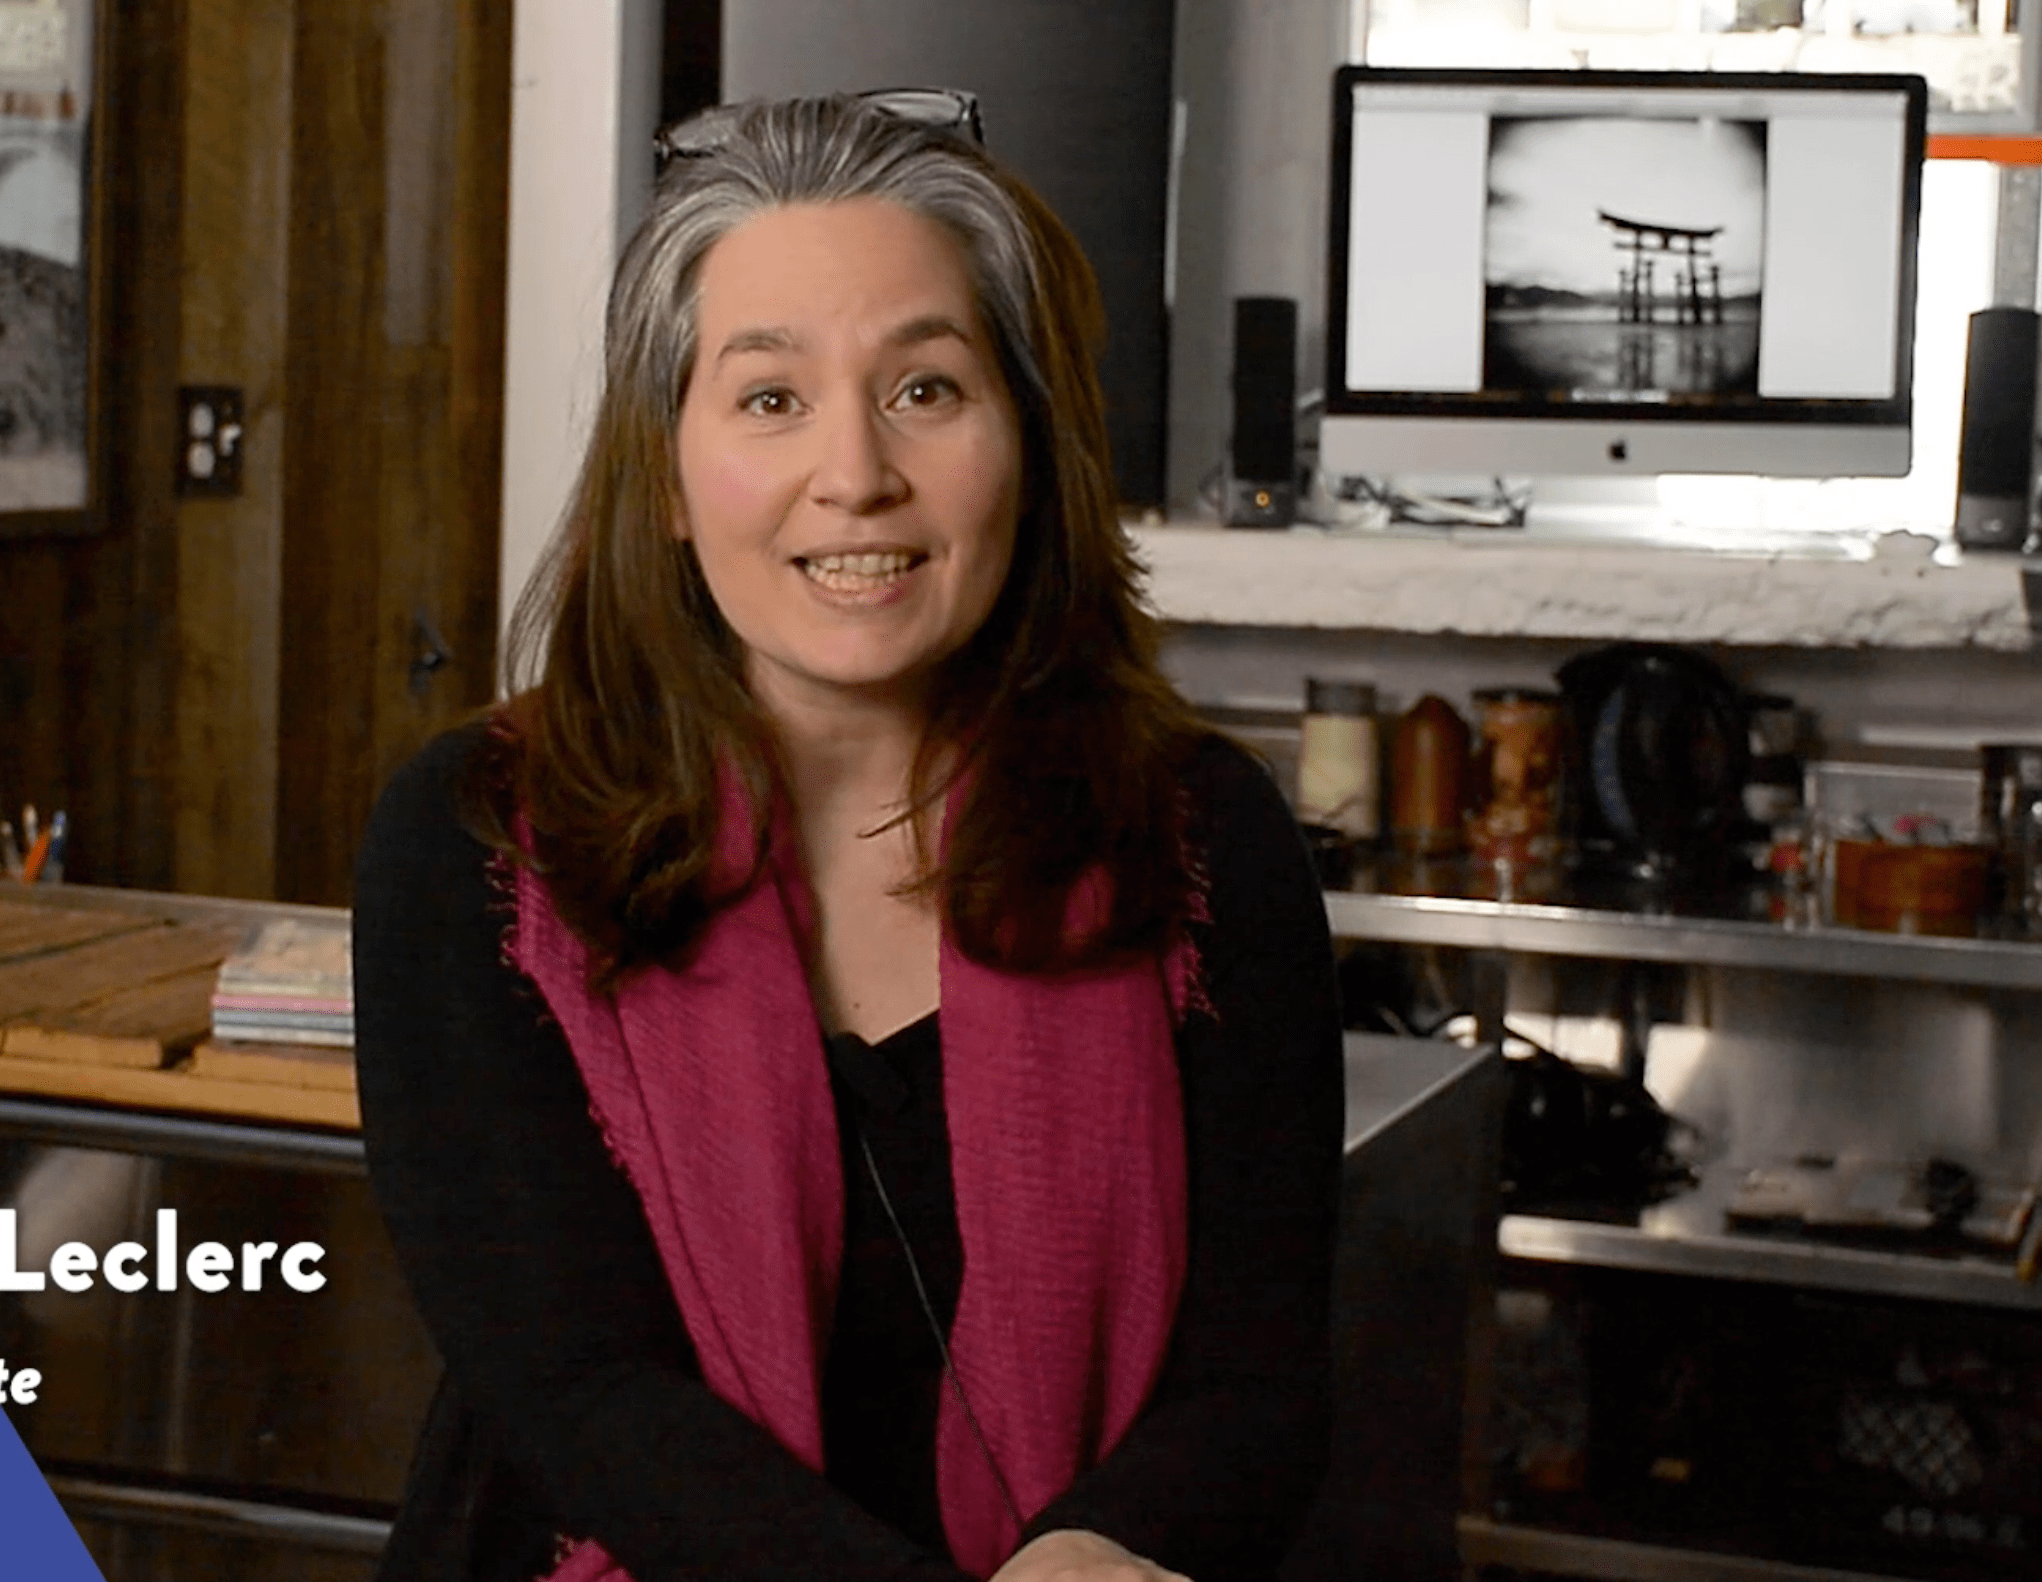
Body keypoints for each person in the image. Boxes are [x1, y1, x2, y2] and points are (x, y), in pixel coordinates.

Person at [353, 93, 1343, 1582]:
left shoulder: (1202, 834)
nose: (857, 473)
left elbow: (1257, 1381)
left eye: (925, 388)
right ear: (666, 475)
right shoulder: (479, 841)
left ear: (1030, 441)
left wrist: (1105, 1546)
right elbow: (579, 1387)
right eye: (770, 399)